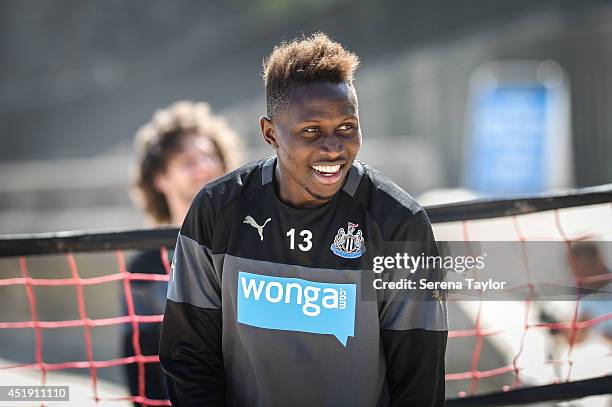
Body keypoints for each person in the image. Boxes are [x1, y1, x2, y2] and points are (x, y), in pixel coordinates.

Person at [160, 33, 448, 407]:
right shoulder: (217, 210)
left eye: (346, 126)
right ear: (269, 134)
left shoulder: (399, 223)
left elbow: (419, 379)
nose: (333, 147)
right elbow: (189, 356)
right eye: (311, 131)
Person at [126, 100, 242, 406]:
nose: (205, 167)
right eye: (189, 161)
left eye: (209, 156)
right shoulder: (142, 265)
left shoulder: (249, 244)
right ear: (160, 179)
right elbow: (137, 364)